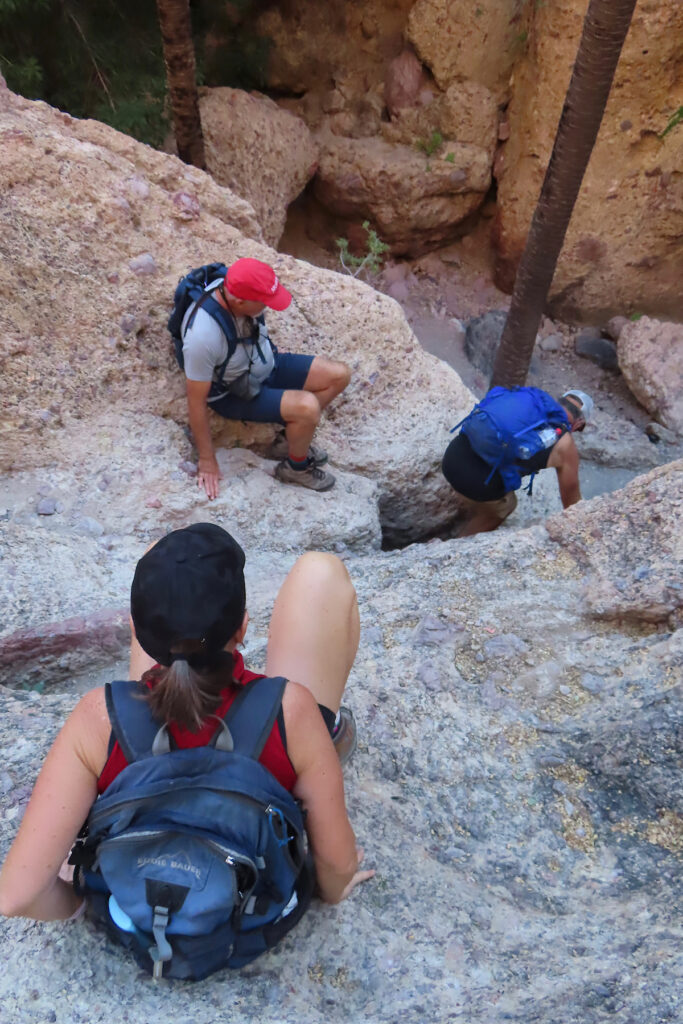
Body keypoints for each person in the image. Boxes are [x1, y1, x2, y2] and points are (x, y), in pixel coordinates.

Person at [0, 524, 374, 927]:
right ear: (243, 628)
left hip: (138, 818)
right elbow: (336, 865)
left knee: (162, 563)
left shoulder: (97, 719)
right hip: (256, 840)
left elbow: (19, 895)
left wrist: (85, 903)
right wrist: (332, 890)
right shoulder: (292, 710)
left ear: (139, 634)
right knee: (320, 573)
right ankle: (318, 751)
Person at [182, 258, 351, 498]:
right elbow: (195, 401)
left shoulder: (238, 290)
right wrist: (207, 460)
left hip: (266, 363)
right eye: (265, 302)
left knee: (339, 375)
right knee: (308, 407)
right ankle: (296, 468)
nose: (269, 307)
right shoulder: (202, 337)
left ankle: (289, 441)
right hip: (235, 393)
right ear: (239, 301)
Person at [442, 388, 593, 537]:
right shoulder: (565, 446)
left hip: (451, 457)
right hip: (479, 485)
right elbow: (572, 507)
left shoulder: (530, 399)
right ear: (579, 423)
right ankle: (457, 547)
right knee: (507, 505)